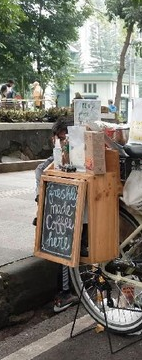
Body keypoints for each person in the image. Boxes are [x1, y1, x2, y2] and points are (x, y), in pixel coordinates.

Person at [33, 118, 79, 313]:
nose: (64, 143)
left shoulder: (80, 162)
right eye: (61, 139)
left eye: (68, 139)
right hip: (60, 221)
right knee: (63, 233)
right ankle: (64, 294)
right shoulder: (46, 168)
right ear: (54, 140)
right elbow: (41, 199)